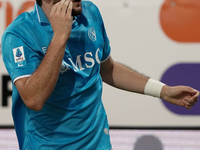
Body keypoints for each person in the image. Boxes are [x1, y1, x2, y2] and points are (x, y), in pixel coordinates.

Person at [1, 0, 199, 149]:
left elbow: (107, 68)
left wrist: (163, 91)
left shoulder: (90, 12)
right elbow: (34, 99)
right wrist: (60, 37)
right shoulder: (18, 35)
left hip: (98, 144)